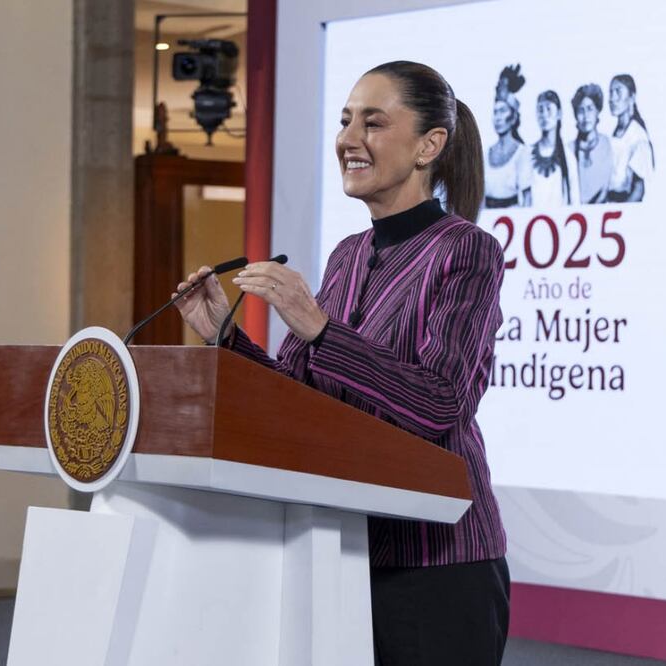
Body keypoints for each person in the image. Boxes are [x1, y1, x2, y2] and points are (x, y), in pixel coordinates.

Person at [174, 61, 510, 665]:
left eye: (374, 122)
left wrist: (319, 325)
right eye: (345, 120)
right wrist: (223, 335)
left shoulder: (467, 251)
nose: (349, 139)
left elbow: (441, 403)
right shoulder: (348, 254)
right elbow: (300, 396)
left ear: (429, 145)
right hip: (341, 553)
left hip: (435, 561)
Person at [484, 64, 532, 208]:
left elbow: (527, 200)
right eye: (495, 112)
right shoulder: (485, 154)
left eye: (503, 111)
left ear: (513, 117)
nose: (498, 117)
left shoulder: (522, 153)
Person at [607, 74, 654, 202]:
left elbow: (638, 189)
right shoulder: (616, 133)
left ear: (631, 97)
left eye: (618, 92)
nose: (612, 99)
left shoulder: (637, 136)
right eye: (610, 93)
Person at [530, 90, 579, 207]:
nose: (544, 115)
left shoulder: (568, 157)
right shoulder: (528, 154)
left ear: (559, 114)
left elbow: (575, 201)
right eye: (540, 110)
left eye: (549, 109)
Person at [570, 83, 614, 204]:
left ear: (597, 111)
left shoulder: (608, 144)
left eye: (590, 109)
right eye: (581, 111)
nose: (585, 116)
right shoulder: (569, 149)